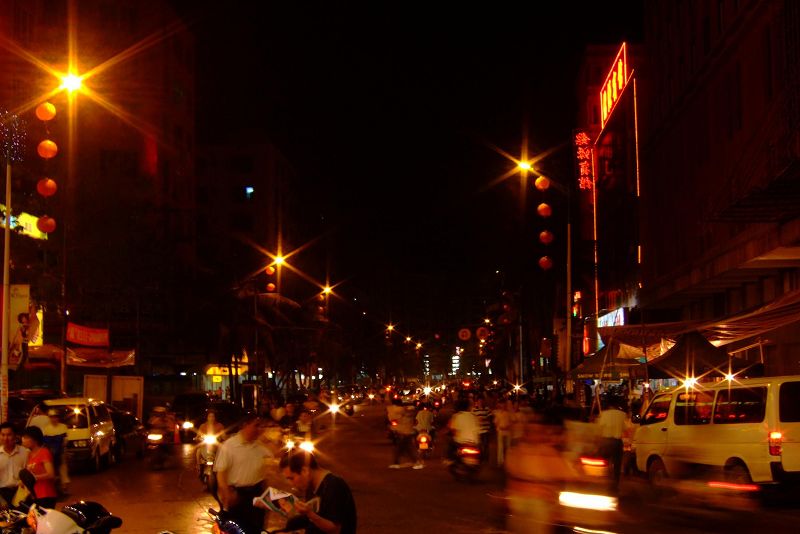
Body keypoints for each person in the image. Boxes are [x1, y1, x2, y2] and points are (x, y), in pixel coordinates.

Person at [214, 412, 273, 534]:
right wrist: (226, 493)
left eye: (261, 426)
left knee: (257, 527)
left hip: (257, 493)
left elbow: (273, 461)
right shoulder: (229, 446)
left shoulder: (260, 446)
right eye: (256, 425)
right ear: (245, 425)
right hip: (238, 496)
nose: (260, 429)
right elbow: (221, 474)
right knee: (238, 529)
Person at [278, 450, 356, 534]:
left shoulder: (334, 485)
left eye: (291, 478)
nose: (291, 484)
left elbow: (335, 530)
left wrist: (309, 513)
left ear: (305, 471)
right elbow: (312, 520)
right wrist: (291, 513)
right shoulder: (311, 486)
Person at [21, 426, 57, 509]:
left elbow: (51, 474)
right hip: (35, 495)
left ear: (35, 439)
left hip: (46, 494)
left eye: (26, 437)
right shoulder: (29, 455)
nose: (23, 440)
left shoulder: (44, 452)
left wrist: (34, 478)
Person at [596, 398, 628, 489]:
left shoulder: (604, 414)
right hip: (617, 442)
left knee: (604, 461)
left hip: (606, 441)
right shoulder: (622, 415)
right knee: (617, 463)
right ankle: (616, 482)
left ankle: (604, 479)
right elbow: (625, 429)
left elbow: (599, 428)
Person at [42, 409, 70, 494]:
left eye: (55, 417)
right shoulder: (46, 428)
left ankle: (64, 485)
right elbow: (44, 442)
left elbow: (65, 440)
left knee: (63, 467)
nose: (54, 419)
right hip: (50, 452)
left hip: (60, 451)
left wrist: (61, 446)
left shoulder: (63, 427)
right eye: (52, 417)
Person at [0, 422, 28, 505]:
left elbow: (28, 472)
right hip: (2, 492)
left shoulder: (24, 452)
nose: (6, 438)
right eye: (3, 435)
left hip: (20, 492)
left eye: (9, 435)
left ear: (15, 436)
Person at [493, 399, 512, 466]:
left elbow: (511, 421)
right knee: (500, 447)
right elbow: (495, 422)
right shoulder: (498, 413)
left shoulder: (508, 412)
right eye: (501, 404)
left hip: (508, 431)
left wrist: (507, 426)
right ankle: (500, 461)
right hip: (500, 431)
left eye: (503, 404)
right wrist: (499, 427)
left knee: (508, 447)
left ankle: (507, 460)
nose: (502, 405)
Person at [472, 397, 492, 461]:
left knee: (486, 445)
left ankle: (486, 457)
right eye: (479, 401)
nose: (480, 402)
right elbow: (472, 418)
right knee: (479, 445)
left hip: (486, 430)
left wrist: (484, 419)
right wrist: (477, 420)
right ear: (477, 402)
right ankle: (481, 457)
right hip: (478, 430)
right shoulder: (474, 409)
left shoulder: (487, 409)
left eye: (481, 401)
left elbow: (490, 418)